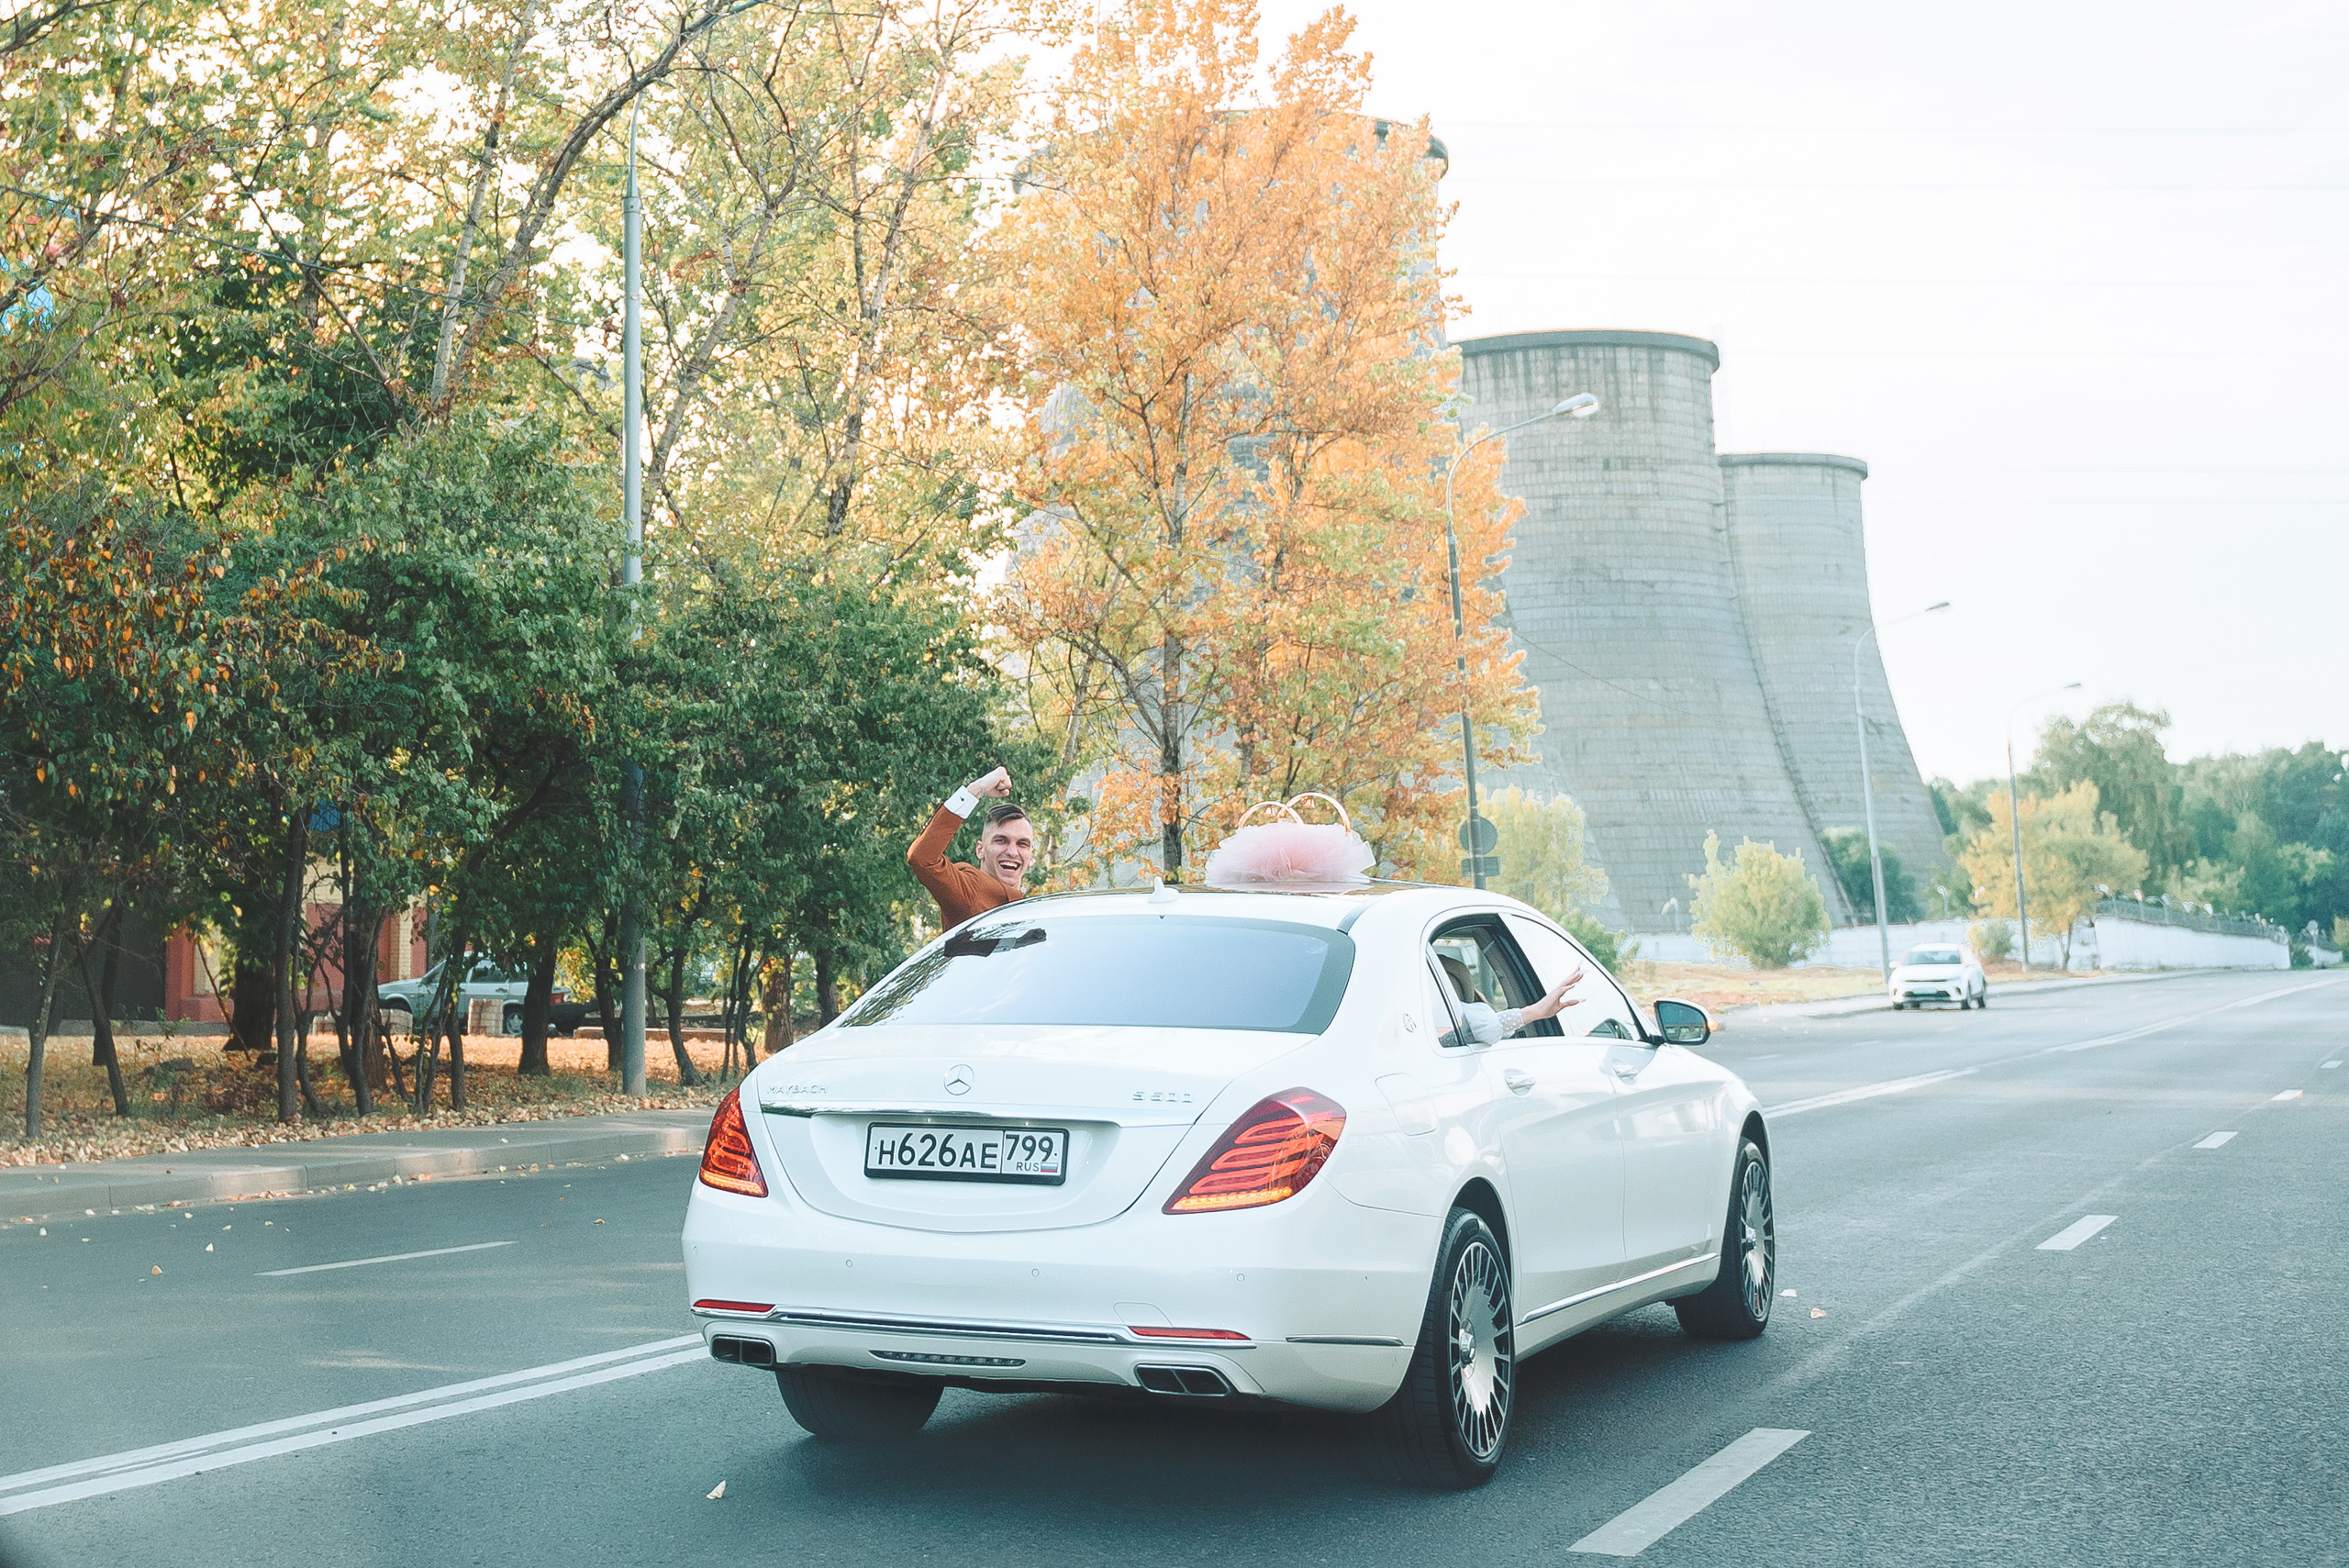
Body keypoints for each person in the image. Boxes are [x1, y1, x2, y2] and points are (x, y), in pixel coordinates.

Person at [907, 765, 1035, 929]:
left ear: (1031, 857)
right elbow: (923, 858)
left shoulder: (1033, 913)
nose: (1012, 852)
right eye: (1001, 841)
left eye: (1022, 844)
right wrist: (976, 789)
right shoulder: (971, 889)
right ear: (980, 850)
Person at [1438, 954, 1586, 1045]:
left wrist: (1536, 1011)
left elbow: (1483, 1028)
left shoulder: (1466, 1030)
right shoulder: (1441, 1037)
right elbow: (1483, 1029)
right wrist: (1536, 1011)